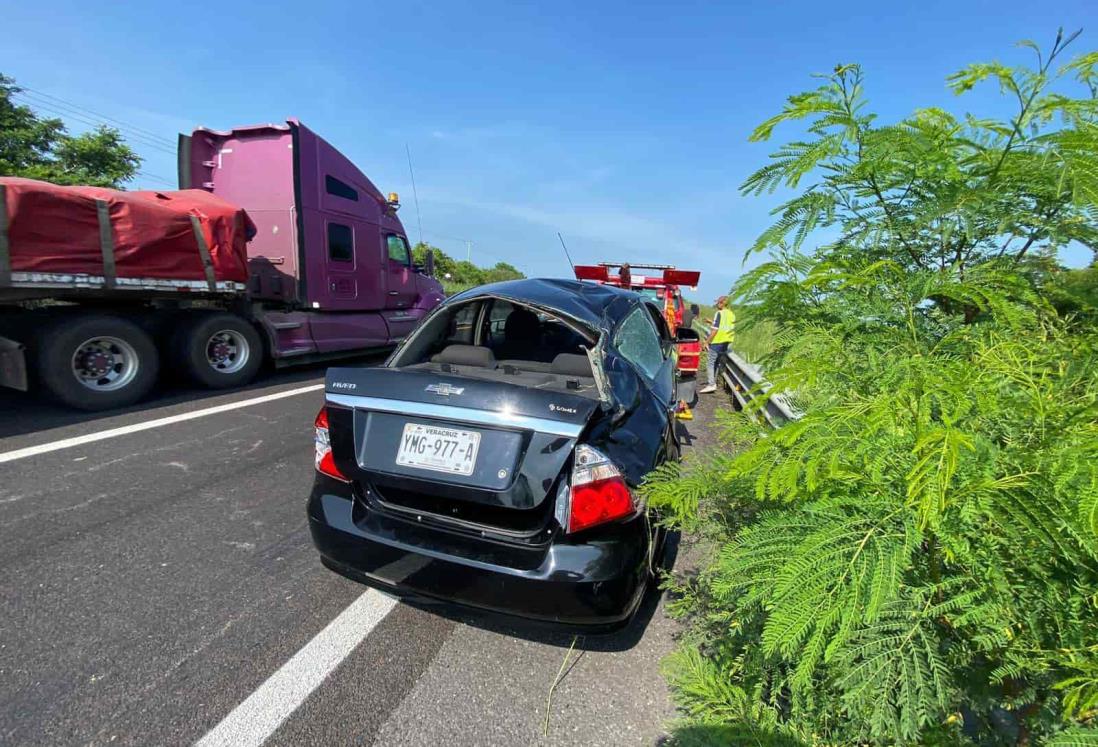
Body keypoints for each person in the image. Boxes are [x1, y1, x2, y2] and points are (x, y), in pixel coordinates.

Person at [698, 296, 735, 394]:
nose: (716, 304)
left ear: (722, 303)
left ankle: (711, 384)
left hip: (717, 341)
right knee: (716, 362)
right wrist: (711, 322)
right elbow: (725, 326)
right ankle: (713, 381)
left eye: (718, 303)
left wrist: (706, 342)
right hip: (726, 343)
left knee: (710, 362)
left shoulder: (719, 313)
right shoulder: (731, 314)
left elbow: (715, 330)